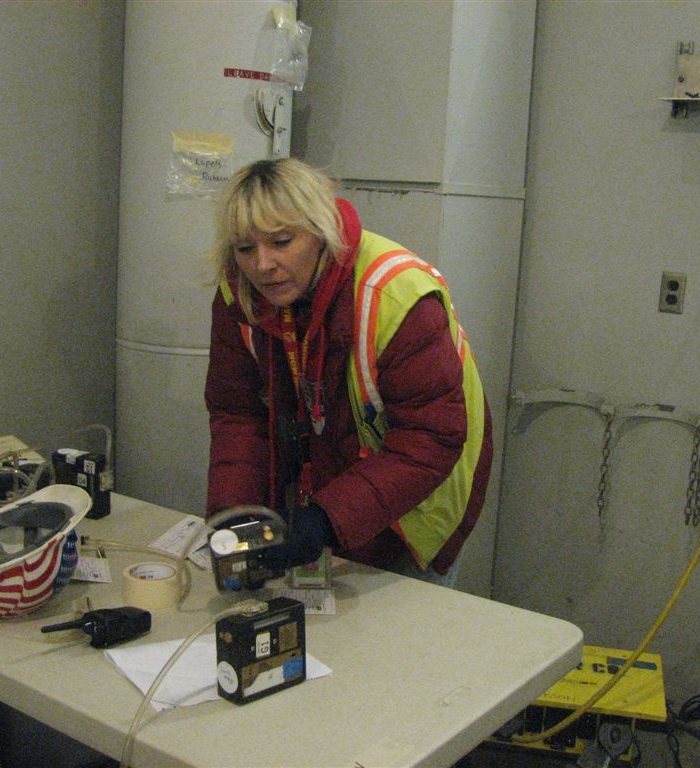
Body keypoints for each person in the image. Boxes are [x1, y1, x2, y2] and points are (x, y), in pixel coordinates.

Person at [204, 158, 493, 586]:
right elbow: (238, 414)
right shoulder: (240, 294)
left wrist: (327, 519)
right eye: (246, 249)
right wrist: (237, 512)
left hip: (415, 505)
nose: (263, 265)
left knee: (398, 643)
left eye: (281, 241)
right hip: (326, 481)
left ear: (322, 233)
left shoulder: (394, 292)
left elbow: (431, 438)